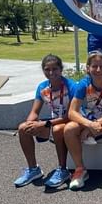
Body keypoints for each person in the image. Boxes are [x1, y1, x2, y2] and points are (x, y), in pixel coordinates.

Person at [64, 50, 102, 191]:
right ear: (88, 68)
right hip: (92, 120)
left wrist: (93, 125)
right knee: (69, 129)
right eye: (94, 66)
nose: (98, 70)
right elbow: (72, 112)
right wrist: (89, 124)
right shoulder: (84, 84)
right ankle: (80, 170)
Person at [14, 54, 76, 188]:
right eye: (47, 69)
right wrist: (30, 123)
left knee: (58, 129)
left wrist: (44, 124)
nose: (51, 73)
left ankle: (62, 169)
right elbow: (34, 112)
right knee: (22, 128)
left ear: (61, 69)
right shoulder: (42, 87)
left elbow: (70, 115)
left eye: (55, 69)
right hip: (53, 121)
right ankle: (33, 169)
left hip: (70, 120)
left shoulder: (71, 86)